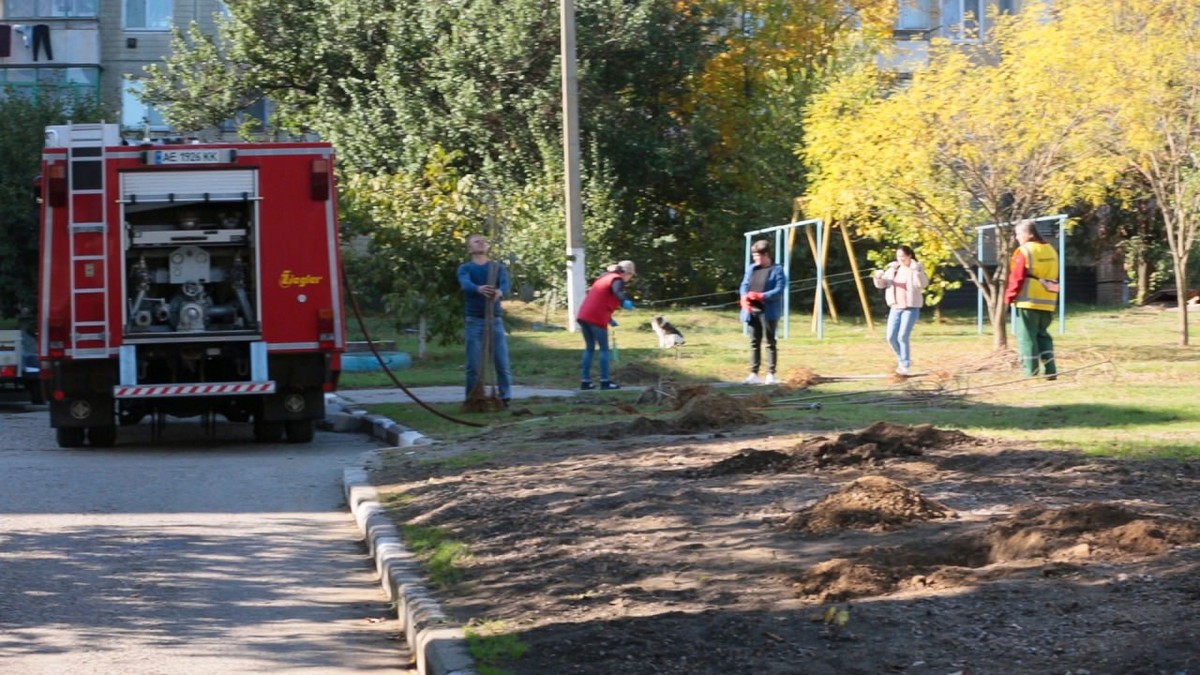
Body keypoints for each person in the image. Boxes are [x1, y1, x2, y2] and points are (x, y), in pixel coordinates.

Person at [456, 233, 513, 405]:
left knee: (501, 362)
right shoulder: (465, 268)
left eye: (483, 241)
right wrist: (478, 288)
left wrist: (499, 292)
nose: (481, 243)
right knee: (473, 365)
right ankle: (473, 397)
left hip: (495, 320)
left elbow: (505, 284)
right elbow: (465, 284)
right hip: (474, 321)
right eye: (476, 241)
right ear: (469, 248)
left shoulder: (497, 267)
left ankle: (504, 397)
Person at [1004, 219, 1059, 379]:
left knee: (1027, 337)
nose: (1017, 238)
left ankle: (1031, 372)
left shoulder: (1025, 251)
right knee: (1043, 335)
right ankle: (1051, 370)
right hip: (1048, 300)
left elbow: (1017, 277)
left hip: (1028, 300)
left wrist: (1009, 297)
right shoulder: (1050, 250)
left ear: (1029, 234)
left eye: (1019, 234)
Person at [576, 260, 636, 390]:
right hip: (596, 317)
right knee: (604, 349)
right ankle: (605, 381)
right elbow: (617, 292)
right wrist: (625, 301)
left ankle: (585, 381)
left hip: (583, 315)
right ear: (627, 273)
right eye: (631, 276)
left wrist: (609, 318)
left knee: (590, 348)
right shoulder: (617, 279)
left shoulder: (603, 278)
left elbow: (599, 299)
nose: (629, 279)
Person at [873, 245, 929, 376]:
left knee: (902, 336)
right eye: (898, 257)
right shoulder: (894, 269)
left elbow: (923, 284)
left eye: (903, 256)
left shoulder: (916, 268)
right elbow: (882, 285)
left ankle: (905, 364)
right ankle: (901, 361)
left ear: (909, 256)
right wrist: (878, 277)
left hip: (910, 308)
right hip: (895, 307)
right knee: (891, 337)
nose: (900, 259)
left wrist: (917, 272)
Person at [739, 240, 788, 384]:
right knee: (754, 342)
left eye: (757, 256)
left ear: (766, 255)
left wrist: (762, 296)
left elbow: (779, 290)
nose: (755, 259)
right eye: (754, 256)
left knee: (770, 342)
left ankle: (771, 374)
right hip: (752, 309)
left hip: (768, 311)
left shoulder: (777, 270)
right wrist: (743, 298)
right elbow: (744, 284)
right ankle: (754, 374)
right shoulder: (751, 268)